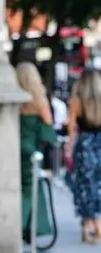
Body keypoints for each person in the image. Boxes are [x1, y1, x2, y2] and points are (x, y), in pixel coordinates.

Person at [16, 62, 58, 241]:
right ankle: (24, 226)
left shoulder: (17, 102)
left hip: (17, 148)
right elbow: (48, 126)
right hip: (33, 150)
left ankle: (30, 227)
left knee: (24, 187)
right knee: (31, 188)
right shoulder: (39, 101)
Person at [66, 67, 101, 243]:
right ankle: (99, 222)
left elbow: (71, 127)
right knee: (99, 183)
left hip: (84, 144)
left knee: (85, 185)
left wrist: (68, 149)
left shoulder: (76, 101)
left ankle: (88, 224)